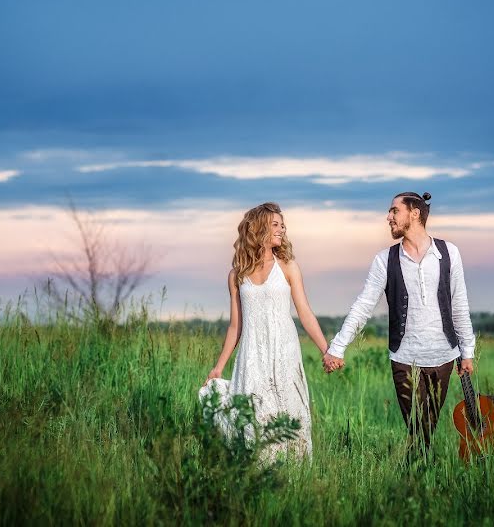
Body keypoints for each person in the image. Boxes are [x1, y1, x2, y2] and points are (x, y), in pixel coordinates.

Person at [322, 191, 477, 452]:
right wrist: (338, 346)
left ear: (414, 213)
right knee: (417, 427)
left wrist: (467, 352)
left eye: (394, 211)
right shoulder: (385, 260)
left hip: (444, 357)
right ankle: (417, 476)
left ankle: (419, 474)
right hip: (405, 357)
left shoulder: (449, 253)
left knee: (428, 427)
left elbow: (459, 305)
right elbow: (363, 306)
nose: (388, 217)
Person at [201, 202, 330, 460]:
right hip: (252, 352)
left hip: (284, 349)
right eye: (275, 224)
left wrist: (327, 350)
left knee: (287, 409)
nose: (282, 229)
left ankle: (292, 471)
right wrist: (218, 366)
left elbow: (304, 312)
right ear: (258, 228)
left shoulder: (288, 267)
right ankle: (257, 468)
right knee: (254, 413)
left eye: (283, 225)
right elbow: (235, 326)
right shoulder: (236, 274)